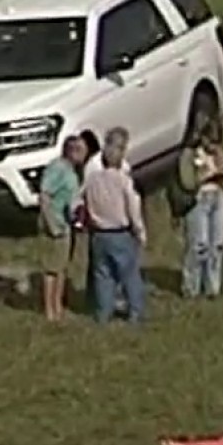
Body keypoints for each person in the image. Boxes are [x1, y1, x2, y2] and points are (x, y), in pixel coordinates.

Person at [80, 128, 148, 325]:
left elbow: (80, 198)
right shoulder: (124, 181)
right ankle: (136, 311)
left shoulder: (92, 179)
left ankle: (103, 313)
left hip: (98, 233)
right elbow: (133, 208)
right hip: (120, 232)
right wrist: (140, 232)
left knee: (103, 275)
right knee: (129, 274)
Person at [176, 119, 223, 299]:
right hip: (199, 200)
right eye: (211, 142)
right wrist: (204, 175)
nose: (213, 147)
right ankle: (191, 286)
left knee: (217, 244)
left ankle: (212, 287)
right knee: (199, 245)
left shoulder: (218, 153)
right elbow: (187, 181)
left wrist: (221, 165)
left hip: (217, 197)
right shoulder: (190, 155)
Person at [37, 135, 87, 323]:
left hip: (66, 224)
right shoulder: (57, 169)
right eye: (82, 150)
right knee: (52, 268)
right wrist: (51, 224)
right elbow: (44, 196)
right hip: (55, 224)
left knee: (62, 267)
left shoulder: (72, 171)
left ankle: (59, 305)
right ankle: (50, 309)